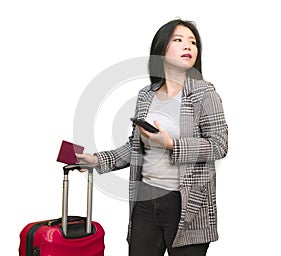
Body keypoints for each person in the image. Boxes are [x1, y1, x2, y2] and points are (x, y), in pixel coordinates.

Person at [76, 18, 228, 256]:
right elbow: (135, 146)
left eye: (193, 42)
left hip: (187, 205)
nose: (188, 46)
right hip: (145, 201)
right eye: (178, 40)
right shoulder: (146, 95)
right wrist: (97, 160)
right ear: (161, 50)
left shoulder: (204, 94)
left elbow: (219, 145)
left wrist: (170, 145)